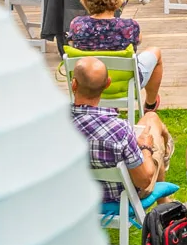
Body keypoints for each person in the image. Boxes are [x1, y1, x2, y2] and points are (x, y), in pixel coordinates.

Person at [66, 57, 160, 210]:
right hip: (118, 199)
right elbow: (143, 181)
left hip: (72, 196)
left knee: (150, 118)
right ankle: (165, 206)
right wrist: (146, 148)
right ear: (108, 83)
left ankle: (165, 204)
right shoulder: (120, 130)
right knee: (153, 130)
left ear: (74, 84)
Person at [65, 0, 164, 109]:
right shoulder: (129, 26)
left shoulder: (77, 24)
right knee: (155, 52)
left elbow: (72, 43)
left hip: (86, 82)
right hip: (125, 83)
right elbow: (139, 40)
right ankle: (150, 104)